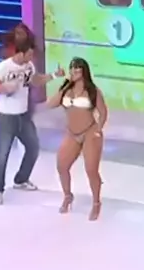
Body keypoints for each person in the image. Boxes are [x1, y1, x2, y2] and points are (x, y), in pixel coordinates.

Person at [0, 37, 63, 205]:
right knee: (2, 154)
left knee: (33, 147)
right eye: (29, 54)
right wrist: (4, 88)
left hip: (23, 116)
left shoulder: (28, 66)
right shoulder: (4, 67)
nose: (31, 58)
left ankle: (21, 179)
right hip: (6, 116)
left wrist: (54, 75)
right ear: (20, 53)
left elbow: (35, 80)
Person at [46, 57, 108, 220]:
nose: (74, 71)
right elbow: (50, 104)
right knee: (62, 165)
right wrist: (65, 84)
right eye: (72, 68)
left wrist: (98, 129)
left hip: (90, 132)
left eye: (77, 68)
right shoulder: (66, 89)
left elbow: (103, 112)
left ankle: (96, 203)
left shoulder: (93, 91)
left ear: (84, 70)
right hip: (72, 133)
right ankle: (68, 196)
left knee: (91, 170)